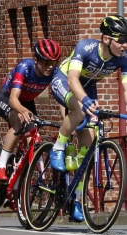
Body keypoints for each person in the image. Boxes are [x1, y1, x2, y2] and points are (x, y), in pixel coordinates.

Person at [49, 15, 127, 222]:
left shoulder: (123, 58)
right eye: (121, 39)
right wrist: (84, 101)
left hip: (88, 87)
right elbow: (73, 79)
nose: (125, 45)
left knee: (88, 149)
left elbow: (126, 88)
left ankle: (75, 199)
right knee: (80, 109)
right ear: (105, 39)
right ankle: (57, 148)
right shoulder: (86, 47)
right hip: (65, 80)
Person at [0, 38, 61, 211]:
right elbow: (13, 98)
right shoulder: (25, 67)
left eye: (53, 62)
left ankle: (16, 184)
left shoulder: (53, 72)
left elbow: (62, 96)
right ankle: (1, 166)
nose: (50, 66)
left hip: (28, 103)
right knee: (17, 122)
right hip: (7, 98)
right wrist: (22, 111)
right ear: (36, 59)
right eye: (46, 62)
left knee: (34, 141)